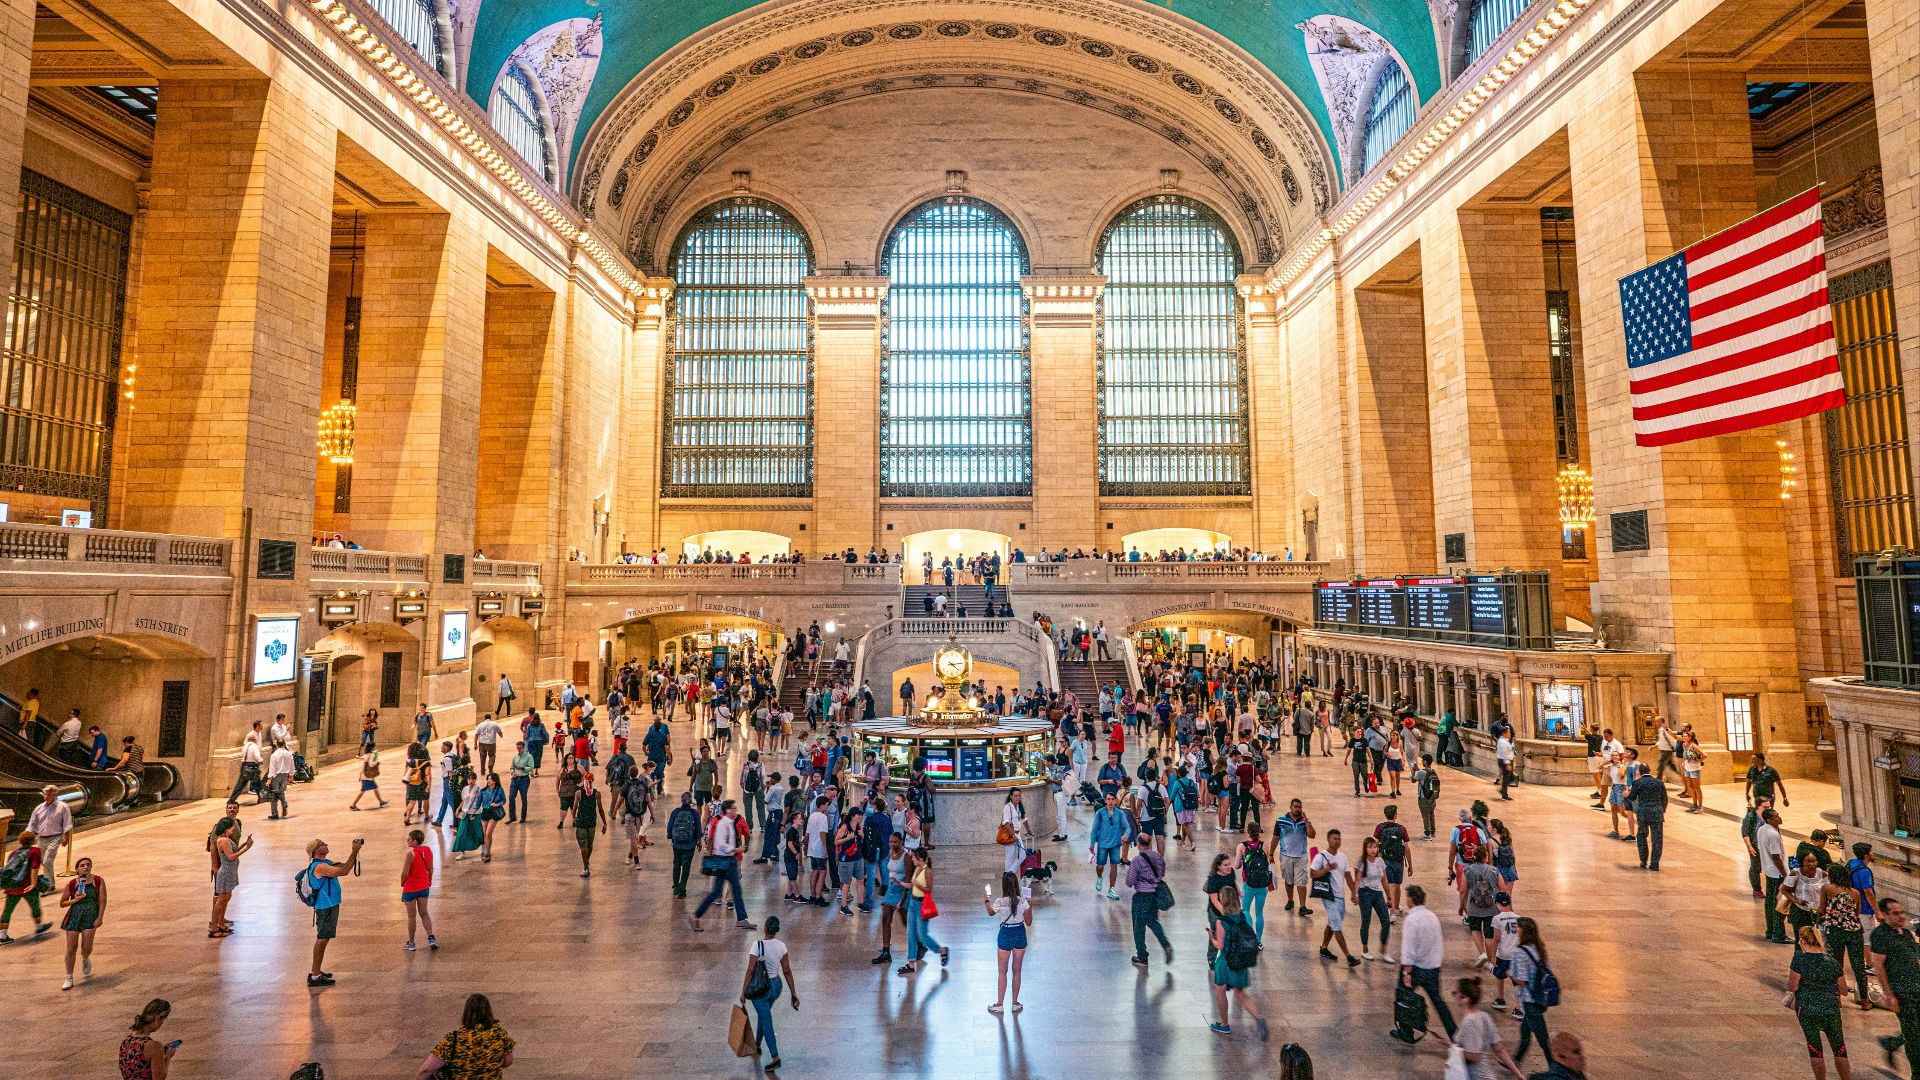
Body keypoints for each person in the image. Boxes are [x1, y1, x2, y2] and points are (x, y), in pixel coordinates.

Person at [1789, 923, 1853, 1080]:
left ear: (1803, 941)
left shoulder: (1799, 959)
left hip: (1807, 1007)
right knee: (1839, 1049)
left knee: (1815, 1049)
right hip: (1830, 1008)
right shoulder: (1832, 962)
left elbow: (1793, 986)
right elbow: (1844, 990)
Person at [1207, 883, 1269, 1039]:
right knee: (1240, 993)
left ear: (1223, 901)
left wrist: (1211, 937)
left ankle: (1224, 1024)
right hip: (1240, 962)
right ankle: (1258, 1019)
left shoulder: (1222, 921)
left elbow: (1220, 945)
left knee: (1220, 991)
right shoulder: (1242, 917)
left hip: (1226, 962)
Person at [1398, 885, 1458, 1040]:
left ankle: (1406, 1031)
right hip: (1433, 967)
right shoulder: (1432, 916)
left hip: (1416, 968)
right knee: (1438, 1002)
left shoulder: (1411, 920)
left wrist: (1407, 972)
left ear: (1411, 899)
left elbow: (1409, 949)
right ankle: (1454, 1034)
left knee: (1404, 998)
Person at [741, 916, 800, 1069]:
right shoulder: (782, 946)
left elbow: (750, 970)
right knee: (764, 1014)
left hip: (760, 989)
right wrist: (794, 994)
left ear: (765, 928)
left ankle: (775, 1057)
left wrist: (743, 992)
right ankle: (757, 1044)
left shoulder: (757, 945)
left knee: (766, 1021)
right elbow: (787, 971)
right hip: (776, 986)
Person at [302, 837, 361, 987]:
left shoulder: (326, 863)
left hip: (330, 905)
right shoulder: (319, 867)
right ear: (316, 851)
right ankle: (315, 976)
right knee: (322, 939)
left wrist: (355, 852)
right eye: (322, 844)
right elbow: (344, 871)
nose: (326, 844)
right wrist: (354, 851)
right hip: (325, 907)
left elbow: (346, 865)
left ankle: (317, 971)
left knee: (324, 938)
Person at [415, 993, 514, 1080]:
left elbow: (426, 1070)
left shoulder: (454, 1038)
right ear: (489, 1012)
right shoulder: (500, 1034)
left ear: (466, 1013)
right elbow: (508, 1061)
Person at [1872, 897, 1920, 1076]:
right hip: (1901, 992)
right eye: (1896, 913)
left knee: (1915, 1031)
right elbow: (1878, 965)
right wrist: (1889, 994)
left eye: (1902, 912)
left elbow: (1915, 960)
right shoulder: (1880, 935)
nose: (1901, 916)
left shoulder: (1907, 933)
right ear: (1884, 915)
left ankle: (1891, 1044)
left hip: (1917, 987)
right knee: (1914, 1037)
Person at [692, 800, 751, 930]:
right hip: (725, 861)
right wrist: (736, 849)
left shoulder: (728, 822)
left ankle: (742, 918)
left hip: (728, 861)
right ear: (728, 810)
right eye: (733, 808)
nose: (736, 810)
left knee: (735, 890)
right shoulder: (723, 824)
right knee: (717, 892)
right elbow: (721, 845)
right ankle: (696, 915)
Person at [1451, 976, 1525, 1080]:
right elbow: (1500, 1050)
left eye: (1455, 993)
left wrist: (1453, 1049)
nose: (1453, 996)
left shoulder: (1469, 1021)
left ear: (1465, 999)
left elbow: (1474, 1057)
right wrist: (1518, 1074)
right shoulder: (1484, 1016)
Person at [986, 870, 1032, 1013]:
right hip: (1019, 933)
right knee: (1017, 971)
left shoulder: (1000, 901)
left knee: (1002, 972)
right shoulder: (1023, 901)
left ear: (1004, 886)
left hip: (1005, 933)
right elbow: (1029, 923)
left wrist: (986, 899)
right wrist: (1031, 906)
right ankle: (1015, 1003)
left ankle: (999, 1004)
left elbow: (990, 912)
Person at [1311, 829, 1359, 967]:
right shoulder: (1320, 857)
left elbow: (1348, 876)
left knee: (1332, 924)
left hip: (1340, 897)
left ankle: (1324, 948)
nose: (1337, 841)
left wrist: (1353, 893)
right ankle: (1349, 957)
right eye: (1334, 838)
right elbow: (1312, 874)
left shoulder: (1343, 856)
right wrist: (1326, 869)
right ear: (1328, 839)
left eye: (1339, 839)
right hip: (1328, 896)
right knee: (1337, 926)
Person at [1509, 917, 1553, 1063]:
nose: (1516, 930)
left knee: (1544, 1040)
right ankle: (1515, 1060)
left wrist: (1510, 975)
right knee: (1525, 1032)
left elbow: (1522, 980)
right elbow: (1548, 970)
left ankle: (1555, 1068)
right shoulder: (1540, 948)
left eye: (1518, 927)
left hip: (1530, 1000)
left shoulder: (1520, 952)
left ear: (1524, 931)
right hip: (1540, 997)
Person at [899, 847, 947, 976]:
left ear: (920, 858)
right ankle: (911, 963)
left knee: (922, 935)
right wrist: (902, 884)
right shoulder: (917, 869)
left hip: (922, 904)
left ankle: (941, 950)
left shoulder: (928, 871)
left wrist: (916, 884)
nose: (912, 859)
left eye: (914, 857)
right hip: (913, 903)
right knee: (910, 933)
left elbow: (928, 890)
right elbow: (912, 885)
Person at [1127, 841, 1173, 969]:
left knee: (1138, 927)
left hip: (1141, 897)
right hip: (1154, 895)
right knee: (1153, 922)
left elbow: (1129, 881)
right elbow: (1162, 872)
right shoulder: (1158, 856)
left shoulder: (1137, 860)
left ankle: (1142, 957)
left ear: (1139, 844)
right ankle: (1166, 945)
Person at [208, 817, 250, 938]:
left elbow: (233, 850)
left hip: (230, 872)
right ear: (227, 828)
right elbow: (231, 857)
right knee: (221, 899)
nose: (233, 829)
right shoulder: (224, 841)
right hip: (226, 872)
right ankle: (214, 927)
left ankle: (220, 923)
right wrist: (247, 848)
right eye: (232, 826)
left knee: (227, 896)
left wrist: (244, 844)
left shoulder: (226, 839)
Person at [27, 784, 73, 894]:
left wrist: (65, 838)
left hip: (55, 836)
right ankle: (51, 883)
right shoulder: (38, 808)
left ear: (54, 795)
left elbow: (67, 823)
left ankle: (46, 887)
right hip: (41, 838)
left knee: (48, 861)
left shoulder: (63, 807)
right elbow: (32, 824)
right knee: (42, 861)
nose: (46, 797)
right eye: (45, 794)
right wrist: (27, 835)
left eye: (49, 795)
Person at [1354, 835, 1392, 962]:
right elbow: (1357, 880)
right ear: (1365, 849)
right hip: (1365, 893)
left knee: (1386, 921)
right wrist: (1355, 894)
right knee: (1366, 921)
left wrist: (1389, 896)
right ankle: (1365, 950)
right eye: (1370, 847)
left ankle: (1383, 950)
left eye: (1375, 847)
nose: (1373, 850)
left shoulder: (1380, 862)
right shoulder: (1361, 862)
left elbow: (1384, 879)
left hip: (1377, 893)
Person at [1273, 798, 1315, 915]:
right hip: (1285, 856)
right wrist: (1271, 854)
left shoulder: (1304, 822)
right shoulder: (1281, 820)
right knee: (1289, 880)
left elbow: (1312, 835)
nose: (1297, 809)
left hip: (1301, 857)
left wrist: (1306, 821)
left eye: (1299, 807)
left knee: (1301, 882)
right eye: (1295, 806)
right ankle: (1290, 900)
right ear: (1290, 807)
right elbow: (1275, 837)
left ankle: (1302, 907)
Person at [400, 829, 438, 952]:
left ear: (415, 841)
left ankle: (411, 943)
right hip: (424, 887)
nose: (407, 840)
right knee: (424, 913)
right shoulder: (428, 850)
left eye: (409, 839)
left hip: (411, 888)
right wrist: (429, 881)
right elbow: (431, 868)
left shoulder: (410, 854)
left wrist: (402, 884)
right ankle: (431, 938)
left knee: (411, 917)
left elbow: (405, 873)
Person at [121, 998, 177, 1080]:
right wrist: (168, 1057)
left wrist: (160, 1053)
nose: (162, 1023)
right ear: (157, 1019)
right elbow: (159, 1078)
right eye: (163, 1020)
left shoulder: (126, 1041)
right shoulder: (155, 1046)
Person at [1760, 807, 1792, 943]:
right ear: (1769, 819)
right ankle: (1778, 933)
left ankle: (1770, 930)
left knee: (1770, 902)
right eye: (1776, 816)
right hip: (1777, 873)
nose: (1779, 817)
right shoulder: (1773, 834)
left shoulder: (1762, 829)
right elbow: (1776, 856)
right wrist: (1785, 875)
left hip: (1769, 871)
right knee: (1780, 903)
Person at [1090, 792, 1128, 899]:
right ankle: (1099, 877)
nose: (1110, 801)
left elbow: (1127, 827)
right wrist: (1092, 843)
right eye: (1108, 799)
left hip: (1115, 843)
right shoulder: (1100, 813)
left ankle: (1111, 889)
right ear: (1105, 801)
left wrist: (1126, 835)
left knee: (1114, 865)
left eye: (1112, 799)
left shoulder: (1120, 813)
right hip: (1103, 843)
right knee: (1100, 866)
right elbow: (1094, 829)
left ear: (1115, 801)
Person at [573, 768, 609, 877]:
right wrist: (604, 823)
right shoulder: (597, 793)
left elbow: (575, 807)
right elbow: (601, 809)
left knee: (584, 846)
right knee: (589, 845)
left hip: (581, 821)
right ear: (592, 781)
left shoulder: (579, 793)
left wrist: (574, 818)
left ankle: (585, 866)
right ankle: (586, 865)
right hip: (592, 821)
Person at [667, 791, 699, 899]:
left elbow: (669, 827)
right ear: (690, 801)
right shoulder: (694, 814)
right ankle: (682, 889)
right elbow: (698, 830)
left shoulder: (675, 812)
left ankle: (676, 886)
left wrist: (672, 837)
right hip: (689, 844)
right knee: (686, 866)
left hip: (677, 844)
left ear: (681, 800)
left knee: (676, 863)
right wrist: (698, 841)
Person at [1413, 754, 1441, 841]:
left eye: (1422, 760)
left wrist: (1414, 771)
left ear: (1425, 761)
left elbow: (1413, 780)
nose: (1422, 762)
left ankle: (1427, 834)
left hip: (1424, 797)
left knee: (1425, 816)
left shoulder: (1421, 772)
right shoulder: (1433, 771)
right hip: (1432, 797)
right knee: (1431, 815)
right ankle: (1432, 832)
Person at [506, 741, 533, 823]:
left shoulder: (529, 756)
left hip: (524, 779)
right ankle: (512, 817)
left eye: (520, 748)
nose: (519, 750)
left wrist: (523, 768)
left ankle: (523, 817)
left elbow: (531, 767)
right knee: (511, 797)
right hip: (515, 779)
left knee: (523, 798)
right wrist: (512, 772)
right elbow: (512, 767)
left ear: (524, 747)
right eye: (517, 748)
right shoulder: (515, 757)